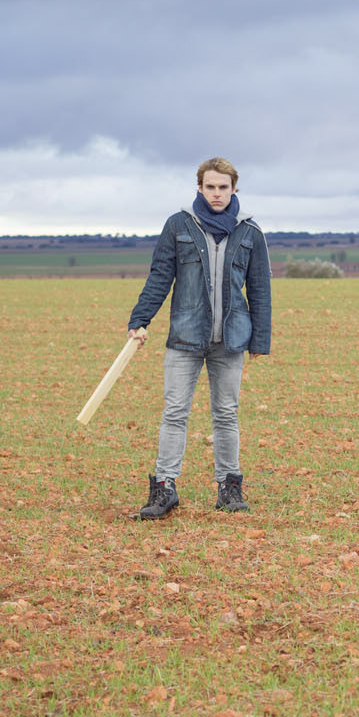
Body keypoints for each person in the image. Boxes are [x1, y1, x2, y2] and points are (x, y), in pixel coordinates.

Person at [126, 157, 272, 519]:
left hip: (231, 340)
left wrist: (260, 340)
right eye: (210, 187)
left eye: (223, 187)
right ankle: (164, 488)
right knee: (175, 412)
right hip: (185, 337)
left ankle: (229, 488)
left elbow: (259, 289)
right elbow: (160, 276)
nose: (216, 194)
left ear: (234, 189)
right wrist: (140, 319)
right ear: (200, 188)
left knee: (226, 414)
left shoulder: (250, 232)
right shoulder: (178, 226)